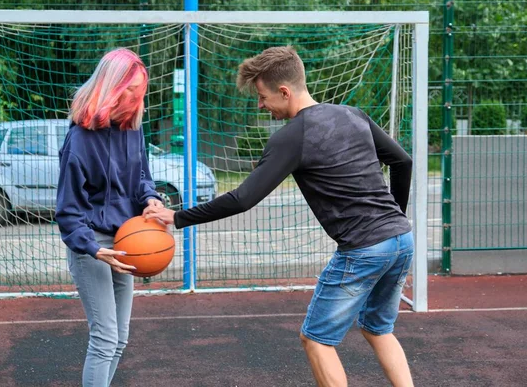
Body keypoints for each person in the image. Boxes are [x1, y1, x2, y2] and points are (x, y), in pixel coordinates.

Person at [144, 45, 415, 387]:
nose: (261, 105)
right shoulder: (353, 114)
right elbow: (403, 161)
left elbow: (243, 199)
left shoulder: (291, 137)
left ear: (284, 92)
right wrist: (394, 219)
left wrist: (177, 217)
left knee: (317, 340)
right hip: (401, 239)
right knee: (378, 329)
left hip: (364, 247)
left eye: (262, 96)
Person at [55, 48, 164, 387]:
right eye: (131, 88)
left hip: (127, 240)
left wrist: (151, 199)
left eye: (141, 89)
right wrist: (93, 248)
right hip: (94, 246)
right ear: (111, 86)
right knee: (104, 339)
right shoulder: (80, 139)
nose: (138, 95)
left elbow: (143, 177)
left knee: (119, 340)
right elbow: (68, 212)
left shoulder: (133, 129)